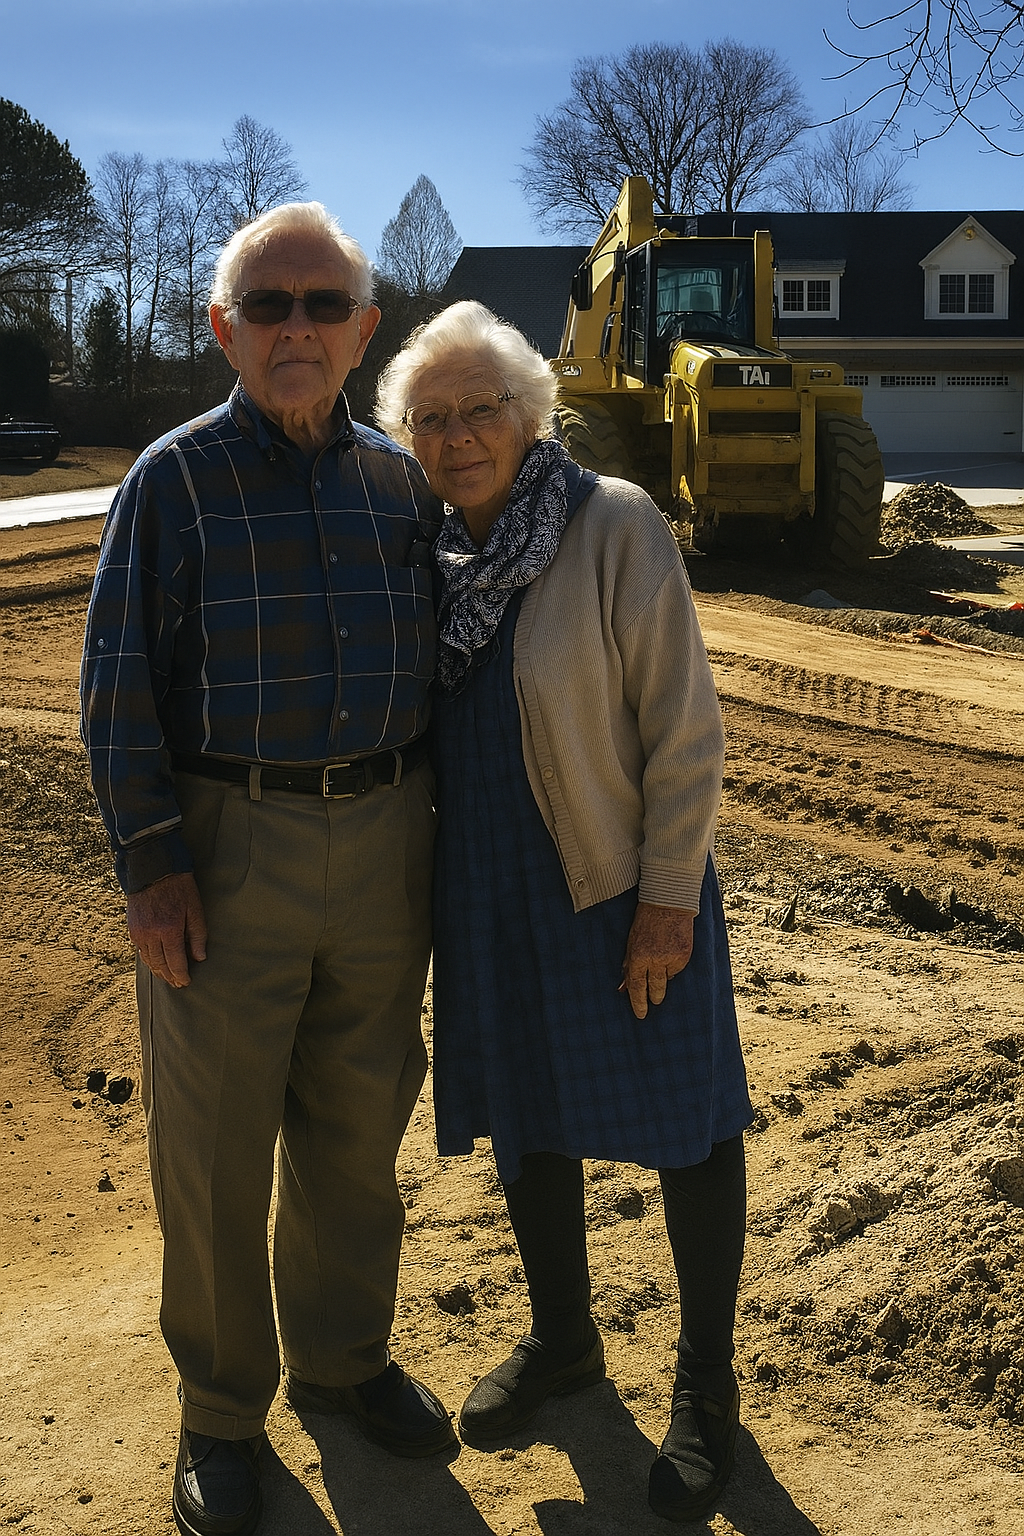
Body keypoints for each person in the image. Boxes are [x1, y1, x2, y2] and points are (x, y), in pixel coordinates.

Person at [81, 202, 455, 1536]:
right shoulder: (170, 482)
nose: (296, 326)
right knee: (219, 1150)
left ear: (366, 330)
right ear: (224, 329)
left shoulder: (400, 486)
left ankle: (347, 1364)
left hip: (384, 842)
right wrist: (152, 868)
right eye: (269, 304)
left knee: (359, 1133)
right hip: (227, 849)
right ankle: (222, 1413)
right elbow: (116, 692)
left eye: (323, 304)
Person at [375, 301, 753, 1526]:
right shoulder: (425, 549)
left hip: (613, 883)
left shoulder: (611, 525)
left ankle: (707, 1389)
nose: (459, 434)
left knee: (688, 1123)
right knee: (527, 1121)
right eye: (431, 417)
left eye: (482, 407)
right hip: (484, 889)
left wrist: (665, 902)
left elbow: (683, 731)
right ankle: (565, 1343)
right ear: (409, 440)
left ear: (530, 413)